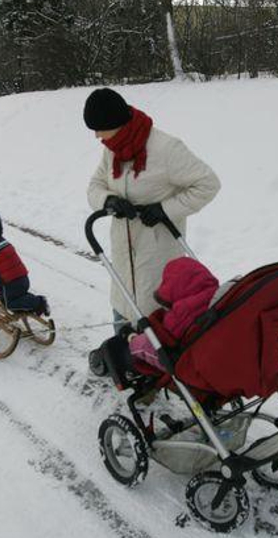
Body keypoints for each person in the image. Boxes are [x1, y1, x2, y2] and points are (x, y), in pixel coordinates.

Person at [84, 88, 221, 330]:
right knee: (124, 314)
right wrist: (108, 201)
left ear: (115, 123)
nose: (96, 136)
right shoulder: (112, 150)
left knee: (157, 330)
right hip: (124, 258)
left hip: (158, 254)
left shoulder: (166, 149)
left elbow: (207, 184)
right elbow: (95, 185)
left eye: (98, 128)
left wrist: (165, 209)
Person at [128, 257, 219, 370]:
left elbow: (164, 337)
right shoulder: (218, 296)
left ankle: (130, 343)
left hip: (186, 361)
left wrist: (133, 339)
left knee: (140, 344)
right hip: (213, 343)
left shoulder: (180, 314)